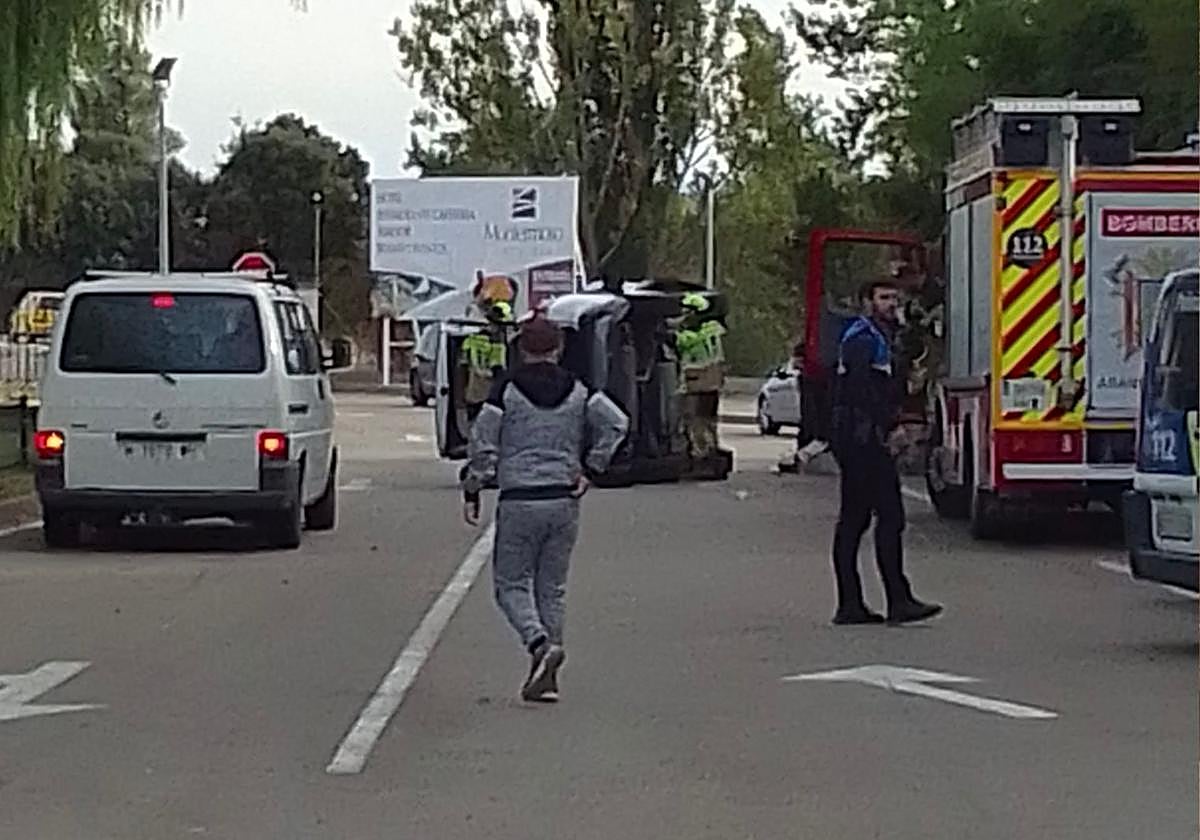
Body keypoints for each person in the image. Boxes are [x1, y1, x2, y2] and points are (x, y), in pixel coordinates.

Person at [462, 316, 629, 702]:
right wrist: (593, 466)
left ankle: (539, 645)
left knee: (510, 586)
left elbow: (483, 442)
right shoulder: (579, 389)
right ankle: (546, 676)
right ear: (559, 348)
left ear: (521, 348)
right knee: (551, 589)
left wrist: (474, 485)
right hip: (563, 498)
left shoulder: (505, 390)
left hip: (520, 498)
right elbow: (617, 423)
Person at [829, 280, 943, 626]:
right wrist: (889, 427)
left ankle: (857, 603)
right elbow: (862, 391)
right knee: (883, 518)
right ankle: (893, 599)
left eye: (895, 297)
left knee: (859, 520)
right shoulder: (862, 339)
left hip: (864, 437)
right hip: (862, 439)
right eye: (883, 298)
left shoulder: (884, 336)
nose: (891, 303)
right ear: (867, 302)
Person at [675, 292, 726, 460]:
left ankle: (701, 453)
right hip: (712, 384)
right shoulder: (714, 330)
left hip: (697, 384)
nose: (684, 316)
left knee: (694, 421)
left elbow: (683, 344)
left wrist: (673, 330)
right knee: (709, 420)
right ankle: (711, 449)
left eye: (687, 312)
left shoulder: (695, 335)